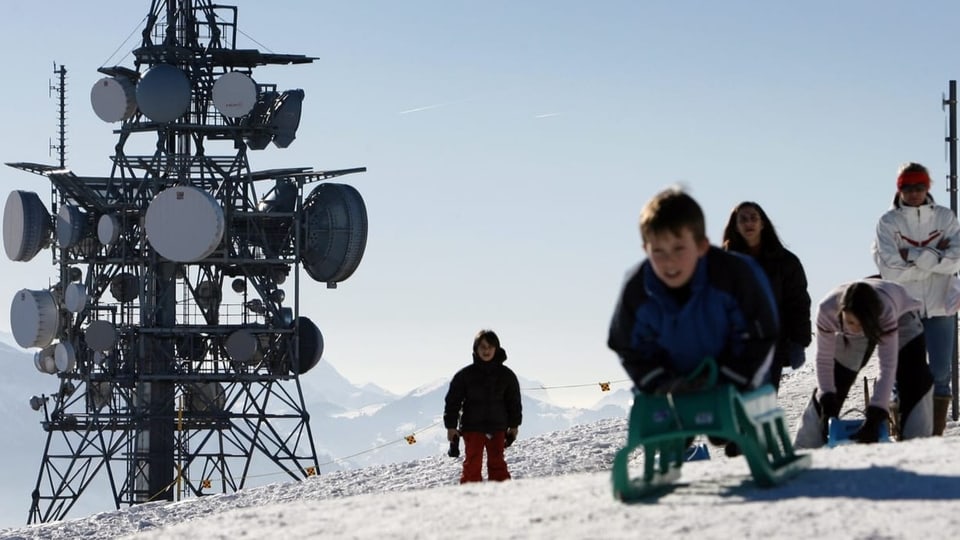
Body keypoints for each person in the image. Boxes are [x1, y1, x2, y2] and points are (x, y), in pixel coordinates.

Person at [607, 187, 779, 456]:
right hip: (674, 382)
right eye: (658, 251)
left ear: (701, 245)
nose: (669, 260)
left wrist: (729, 380)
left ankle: (738, 437)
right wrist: (661, 383)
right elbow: (627, 345)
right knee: (661, 420)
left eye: (679, 248)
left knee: (727, 420)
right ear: (645, 249)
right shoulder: (638, 289)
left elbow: (760, 333)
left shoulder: (735, 275)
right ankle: (677, 437)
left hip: (734, 376)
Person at [872, 162, 960, 436]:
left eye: (919, 187)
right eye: (907, 187)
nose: (914, 193)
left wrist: (910, 255)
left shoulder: (945, 218)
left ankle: (933, 434)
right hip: (902, 306)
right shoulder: (888, 222)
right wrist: (935, 253)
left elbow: (956, 258)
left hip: (940, 304)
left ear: (927, 188)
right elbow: (889, 269)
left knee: (940, 372)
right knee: (901, 373)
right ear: (899, 189)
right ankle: (906, 432)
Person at [793, 279, 934, 448]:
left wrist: (877, 412)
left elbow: (887, 366)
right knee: (835, 380)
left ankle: (918, 445)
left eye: (861, 325)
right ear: (842, 311)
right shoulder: (827, 310)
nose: (856, 328)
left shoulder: (885, 312)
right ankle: (804, 447)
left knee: (915, 377)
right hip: (863, 316)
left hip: (900, 316)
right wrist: (827, 401)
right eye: (852, 322)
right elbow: (823, 360)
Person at [722, 201, 812, 391]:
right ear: (735, 226)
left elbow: (798, 303)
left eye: (753, 218)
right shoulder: (723, 264)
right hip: (731, 347)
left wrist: (799, 341)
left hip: (771, 345)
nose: (749, 223)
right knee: (732, 405)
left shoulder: (785, 262)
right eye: (743, 219)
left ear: (763, 223)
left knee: (763, 404)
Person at [443, 329, 522, 484]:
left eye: (490, 346)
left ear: (496, 348)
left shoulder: (506, 375)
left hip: (497, 428)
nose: (486, 350)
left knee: (497, 464)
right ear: (476, 349)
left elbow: (514, 402)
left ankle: (502, 499)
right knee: (472, 465)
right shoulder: (464, 375)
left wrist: (514, 426)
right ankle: (470, 501)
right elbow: (452, 402)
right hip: (472, 428)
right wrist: (451, 427)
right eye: (482, 347)